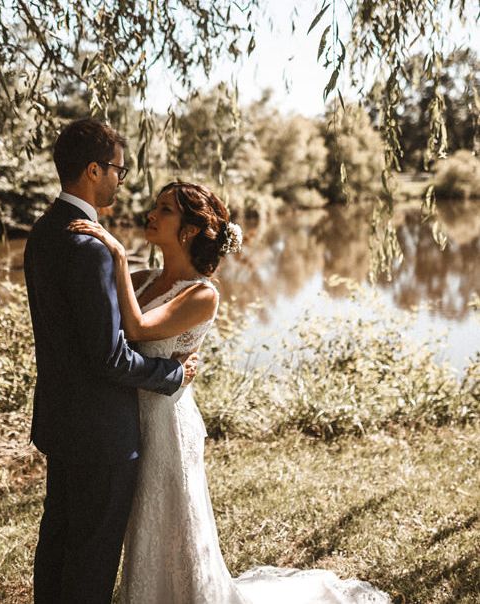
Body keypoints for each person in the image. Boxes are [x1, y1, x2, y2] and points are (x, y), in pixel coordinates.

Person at [69, 181, 392, 603]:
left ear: (187, 230)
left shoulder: (202, 294)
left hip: (169, 425)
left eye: (164, 210)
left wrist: (114, 252)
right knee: (145, 523)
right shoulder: (143, 280)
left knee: (177, 525)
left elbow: (136, 329)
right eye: (157, 206)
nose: (151, 214)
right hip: (133, 422)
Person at [23, 119, 199, 604]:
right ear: (94, 170)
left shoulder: (43, 232)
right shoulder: (89, 247)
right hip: (101, 431)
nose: (122, 180)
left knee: (58, 540)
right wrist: (172, 374)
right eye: (119, 169)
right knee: (92, 555)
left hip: (61, 421)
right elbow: (109, 357)